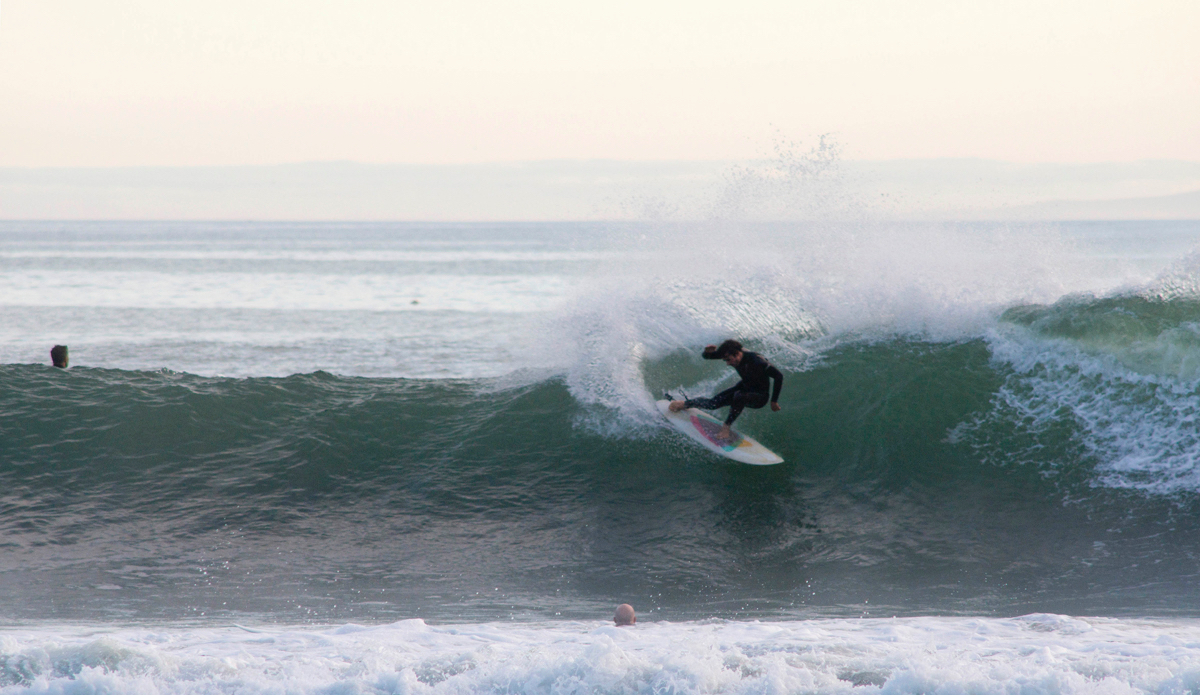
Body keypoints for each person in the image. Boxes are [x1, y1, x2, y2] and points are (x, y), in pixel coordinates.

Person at [668, 339, 782, 440]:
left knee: (739, 396)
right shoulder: (730, 352)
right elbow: (707, 357)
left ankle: (726, 427)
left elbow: (778, 376)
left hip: (760, 396)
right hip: (745, 386)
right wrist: (707, 353)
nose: (727, 363)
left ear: (737, 354)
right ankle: (685, 404)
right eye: (725, 360)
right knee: (713, 403)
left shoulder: (757, 361)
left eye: (728, 360)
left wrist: (774, 401)